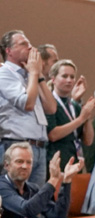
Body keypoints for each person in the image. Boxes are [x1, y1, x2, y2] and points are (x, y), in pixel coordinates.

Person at [0, 30, 55, 189]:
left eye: (30, 43)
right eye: (23, 44)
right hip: (16, 145)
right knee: (14, 199)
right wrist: (34, 73)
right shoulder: (4, 73)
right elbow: (28, 104)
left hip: (39, 147)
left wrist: (39, 76)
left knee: (35, 200)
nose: (30, 47)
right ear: (9, 51)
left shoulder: (30, 75)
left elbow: (51, 108)